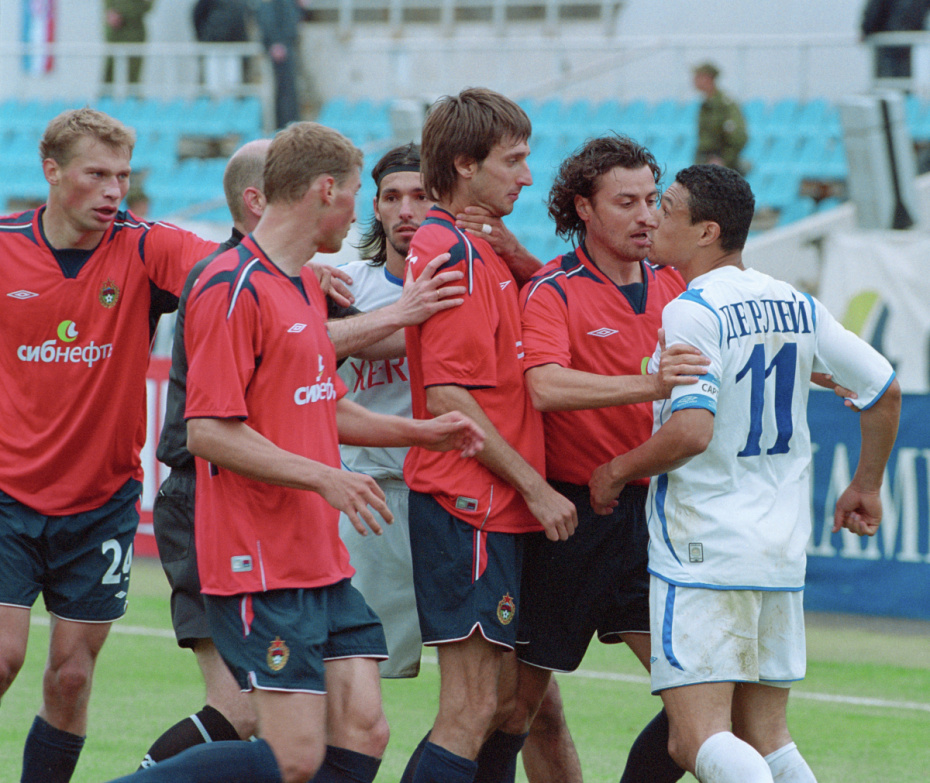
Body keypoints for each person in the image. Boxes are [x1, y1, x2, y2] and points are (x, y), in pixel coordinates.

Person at [107, 121, 486, 783]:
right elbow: (209, 432)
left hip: (320, 558)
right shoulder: (229, 287)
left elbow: (324, 405)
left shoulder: (308, 286)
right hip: (260, 558)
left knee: (366, 728)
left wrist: (421, 432)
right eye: (356, 197)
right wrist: (327, 480)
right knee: (293, 755)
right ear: (324, 189)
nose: (364, 213)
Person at [589, 164, 901, 783]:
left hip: (705, 545)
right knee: (768, 737)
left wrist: (616, 471)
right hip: (780, 547)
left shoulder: (691, 310)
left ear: (707, 231)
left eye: (668, 208)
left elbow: (691, 431)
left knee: (696, 740)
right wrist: (866, 485)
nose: (653, 217)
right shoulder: (795, 302)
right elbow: (884, 390)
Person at [339, 141, 583, 782]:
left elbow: (551, 317)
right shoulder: (358, 280)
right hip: (389, 499)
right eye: (391, 197)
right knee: (365, 708)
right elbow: (308, 372)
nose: (406, 210)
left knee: (514, 706)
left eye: (417, 195)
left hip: (463, 489)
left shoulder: (481, 258)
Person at [0, 107, 218, 783]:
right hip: (7, 493)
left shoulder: (147, 247)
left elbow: (234, 281)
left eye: (122, 176)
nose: (112, 191)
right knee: (2, 657)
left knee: (70, 673)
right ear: (52, 172)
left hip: (100, 501)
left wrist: (296, 280)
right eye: (97, 174)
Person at [501, 134, 715, 783]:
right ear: (583, 209)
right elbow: (544, 384)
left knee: (698, 692)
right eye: (626, 201)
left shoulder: (678, 285)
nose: (647, 215)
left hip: (654, 516)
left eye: (653, 199)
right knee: (521, 709)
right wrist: (652, 384)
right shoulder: (552, 290)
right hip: (567, 519)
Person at [401, 87, 578, 783]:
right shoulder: (452, 252)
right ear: (466, 164)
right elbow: (449, 396)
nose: (527, 176)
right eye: (515, 159)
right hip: (469, 502)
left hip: (490, 505)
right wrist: (535, 487)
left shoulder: (481, 250)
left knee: (506, 704)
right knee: (472, 707)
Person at [254, 0, 303, 129]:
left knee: (287, 90)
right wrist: (276, 42)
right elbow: (268, 17)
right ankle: (286, 125)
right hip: (282, 46)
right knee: (285, 90)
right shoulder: (280, 3)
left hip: (284, 45)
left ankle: (288, 125)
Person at [693, 62, 748, 175]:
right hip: (705, 164)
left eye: (698, 76)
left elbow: (739, 136)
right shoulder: (705, 105)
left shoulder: (724, 104)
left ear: (708, 78)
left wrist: (724, 160)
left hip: (721, 169)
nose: (694, 80)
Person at [860, 0, 930, 79]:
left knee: (888, 81)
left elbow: (873, 12)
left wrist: (866, 30)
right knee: (903, 79)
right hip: (910, 40)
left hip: (887, 40)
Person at [192, 0, 250, 95]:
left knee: (233, 84)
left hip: (234, 47)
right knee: (213, 84)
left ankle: (230, 106)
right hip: (214, 47)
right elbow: (198, 15)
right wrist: (204, 36)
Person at [103, 0, 154, 85]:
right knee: (110, 69)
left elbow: (147, 6)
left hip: (135, 30)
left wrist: (121, 11)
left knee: (134, 71)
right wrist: (110, 11)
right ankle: (105, 97)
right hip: (115, 29)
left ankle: (133, 97)